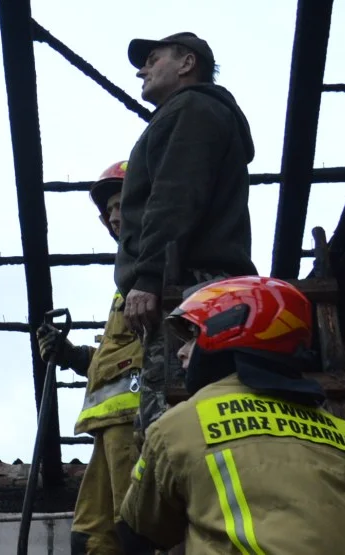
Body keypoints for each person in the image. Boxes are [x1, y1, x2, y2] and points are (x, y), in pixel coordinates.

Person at [116, 276, 345, 554]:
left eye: (193, 337)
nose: (182, 353)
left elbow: (139, 532)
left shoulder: (179, 427)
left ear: (228, 329)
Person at [116, 31, 258, 438]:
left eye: (153, 58)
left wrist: (148, 277)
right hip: (198, 285)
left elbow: (176, 196)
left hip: (188, 285)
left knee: (169, 425)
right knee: (190, 413)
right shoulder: (194, 113)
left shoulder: (193, 109)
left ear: (186, 63)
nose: (142, 69)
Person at [37, 161, 142, 554]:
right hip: (110, 426)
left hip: (138, 422)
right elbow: (121, 355)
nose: (114, 217)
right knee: (92, 536)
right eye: (108, 211)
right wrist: (69, 354)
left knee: (135, 527)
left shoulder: (164, 267)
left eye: (122, 205)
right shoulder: (128, 283)